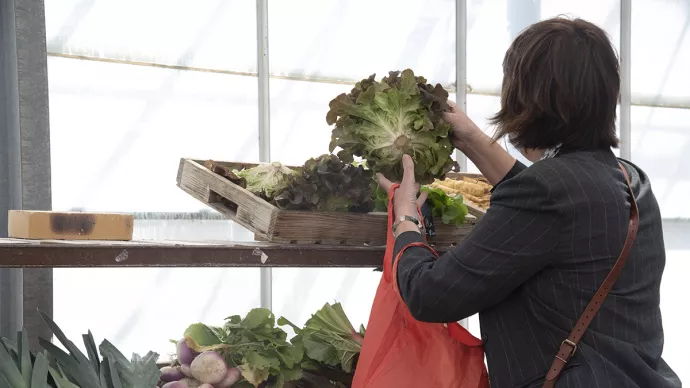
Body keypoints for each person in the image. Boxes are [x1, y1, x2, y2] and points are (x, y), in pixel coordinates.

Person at [377, 17, 681, 388]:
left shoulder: (548, 192)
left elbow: (430, 295)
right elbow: (554, 208)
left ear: (531, 99)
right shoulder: (630, 180)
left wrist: (406, 219)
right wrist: (472, 139)